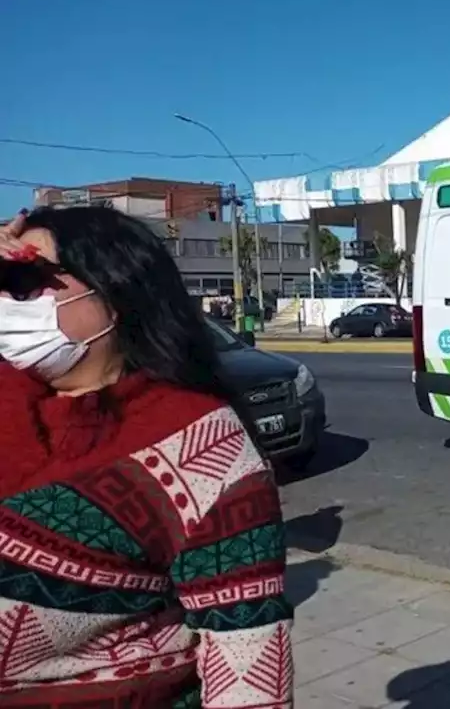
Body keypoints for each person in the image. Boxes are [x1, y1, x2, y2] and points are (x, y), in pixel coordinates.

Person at [0, 207, 294, 707]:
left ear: (116, 292)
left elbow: (247, 660)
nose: (8, 299)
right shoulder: (12, 396)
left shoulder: (202, 445)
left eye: (27, 278)